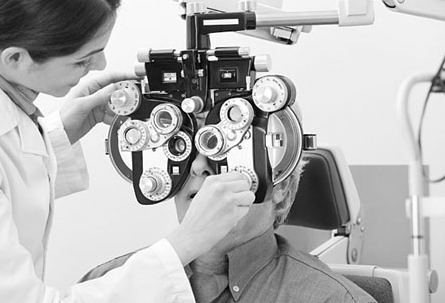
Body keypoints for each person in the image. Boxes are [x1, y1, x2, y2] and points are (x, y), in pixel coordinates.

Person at [0, 0, 256, 302]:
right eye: (82, 59)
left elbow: (2, 176)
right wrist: (185, 242)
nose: (101, 65)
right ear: (16, 58)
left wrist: (58, 134)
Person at [81, 113, 378, 303]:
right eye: (184, 150)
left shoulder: (332, 299)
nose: (199, 166)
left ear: (281, 188)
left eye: (224, 148)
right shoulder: (108, 283)